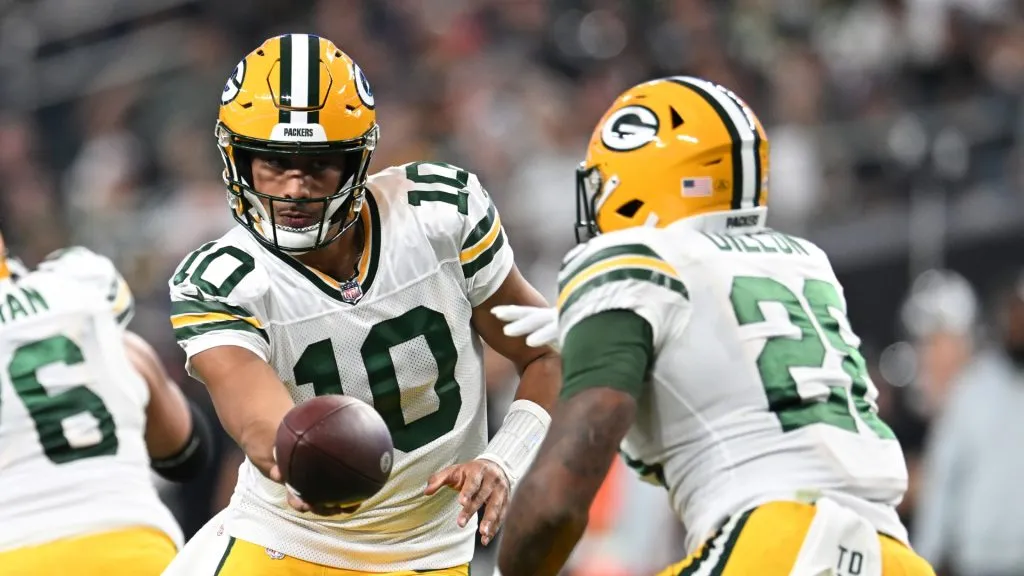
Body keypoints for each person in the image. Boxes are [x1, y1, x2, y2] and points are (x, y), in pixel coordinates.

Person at [493, 76, 935, 575]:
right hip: (894, 556)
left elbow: (558, 499)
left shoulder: (630, 258)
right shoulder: (806, 261)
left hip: (775, 542)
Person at [162, 33, 559, 575]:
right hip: (290, 544)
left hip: (432, 555)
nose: (295, 189)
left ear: (358, 160)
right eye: (274, 162)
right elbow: (253, 410)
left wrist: (503, 460)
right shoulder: (223, 279)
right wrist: (297, 457)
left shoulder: (440, 216)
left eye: (319, 163)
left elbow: (547, 355)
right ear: (238, 158)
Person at [0, 232, 212, 575]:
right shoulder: (79, 285)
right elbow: (186, 455)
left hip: (12, 555)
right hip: (133, 545)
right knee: (124, 349)